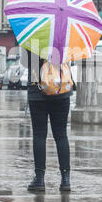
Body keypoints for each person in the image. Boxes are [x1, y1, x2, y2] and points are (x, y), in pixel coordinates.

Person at [25, 50, 73, 192]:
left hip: (37, 93)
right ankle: (66, 180)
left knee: (39, 135)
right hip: (61, 92)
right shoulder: (63, 37)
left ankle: (39, 179)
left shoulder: (32, 37)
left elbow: (31, 65)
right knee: (61, 135)